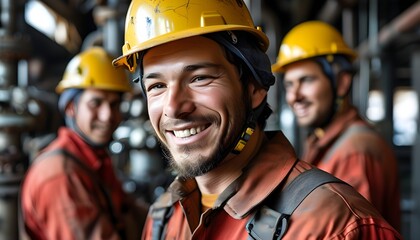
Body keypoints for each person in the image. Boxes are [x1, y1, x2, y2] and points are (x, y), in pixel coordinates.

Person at [113, 0, 401, 239]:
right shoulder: (163, 218)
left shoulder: (333, 226)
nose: (174, 108)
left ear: (254, 88)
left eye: (200, 78)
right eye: (157, 86)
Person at [271, 20, 401, 230]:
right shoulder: (324, 141)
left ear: (341, 82)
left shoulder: (354, 153)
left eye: (306, 80)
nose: (294, 96)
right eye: (289, 84)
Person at [20, 47, 148, 240]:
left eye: (114, 104)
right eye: (96, 103)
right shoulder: (60, 176)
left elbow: (127, 210)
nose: (107, 116)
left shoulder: (93, 158)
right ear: (71, 107)